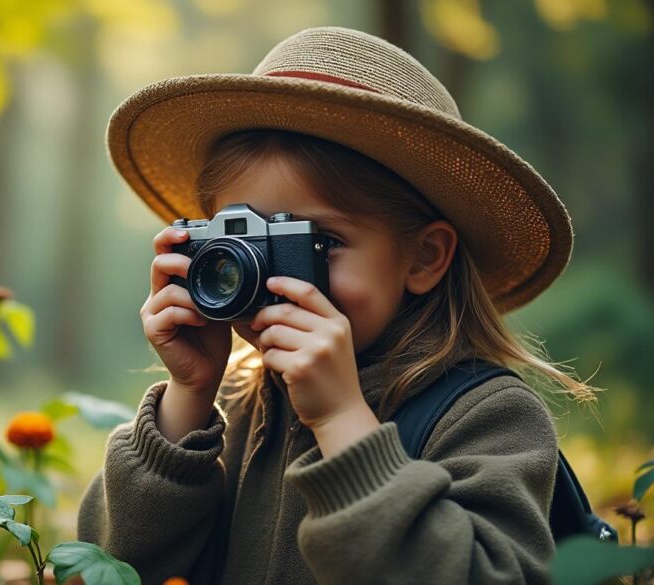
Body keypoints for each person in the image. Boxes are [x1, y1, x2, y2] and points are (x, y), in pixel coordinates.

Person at [76, 26, 599, 584]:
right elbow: (111, 566)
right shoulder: (236, 399)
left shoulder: (487, 417)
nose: (268, 279)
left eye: (316, 244)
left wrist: (340, 419)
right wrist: (189, 393)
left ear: (424, 257)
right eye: (246, 244)